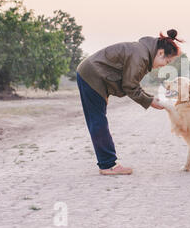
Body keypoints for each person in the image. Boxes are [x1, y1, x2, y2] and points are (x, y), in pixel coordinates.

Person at [76, 29, 183, 175]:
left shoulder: (143, 53)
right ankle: (108, 165)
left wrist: (150, 97)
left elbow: (132, 83)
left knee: (97, 119)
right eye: (167, 61)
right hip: (93, 75)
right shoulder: (141, 56)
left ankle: (107, 163)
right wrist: (150, 101)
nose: (165, 65)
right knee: (98, 120)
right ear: (160, 52)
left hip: (91, 73)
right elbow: (129, 86)